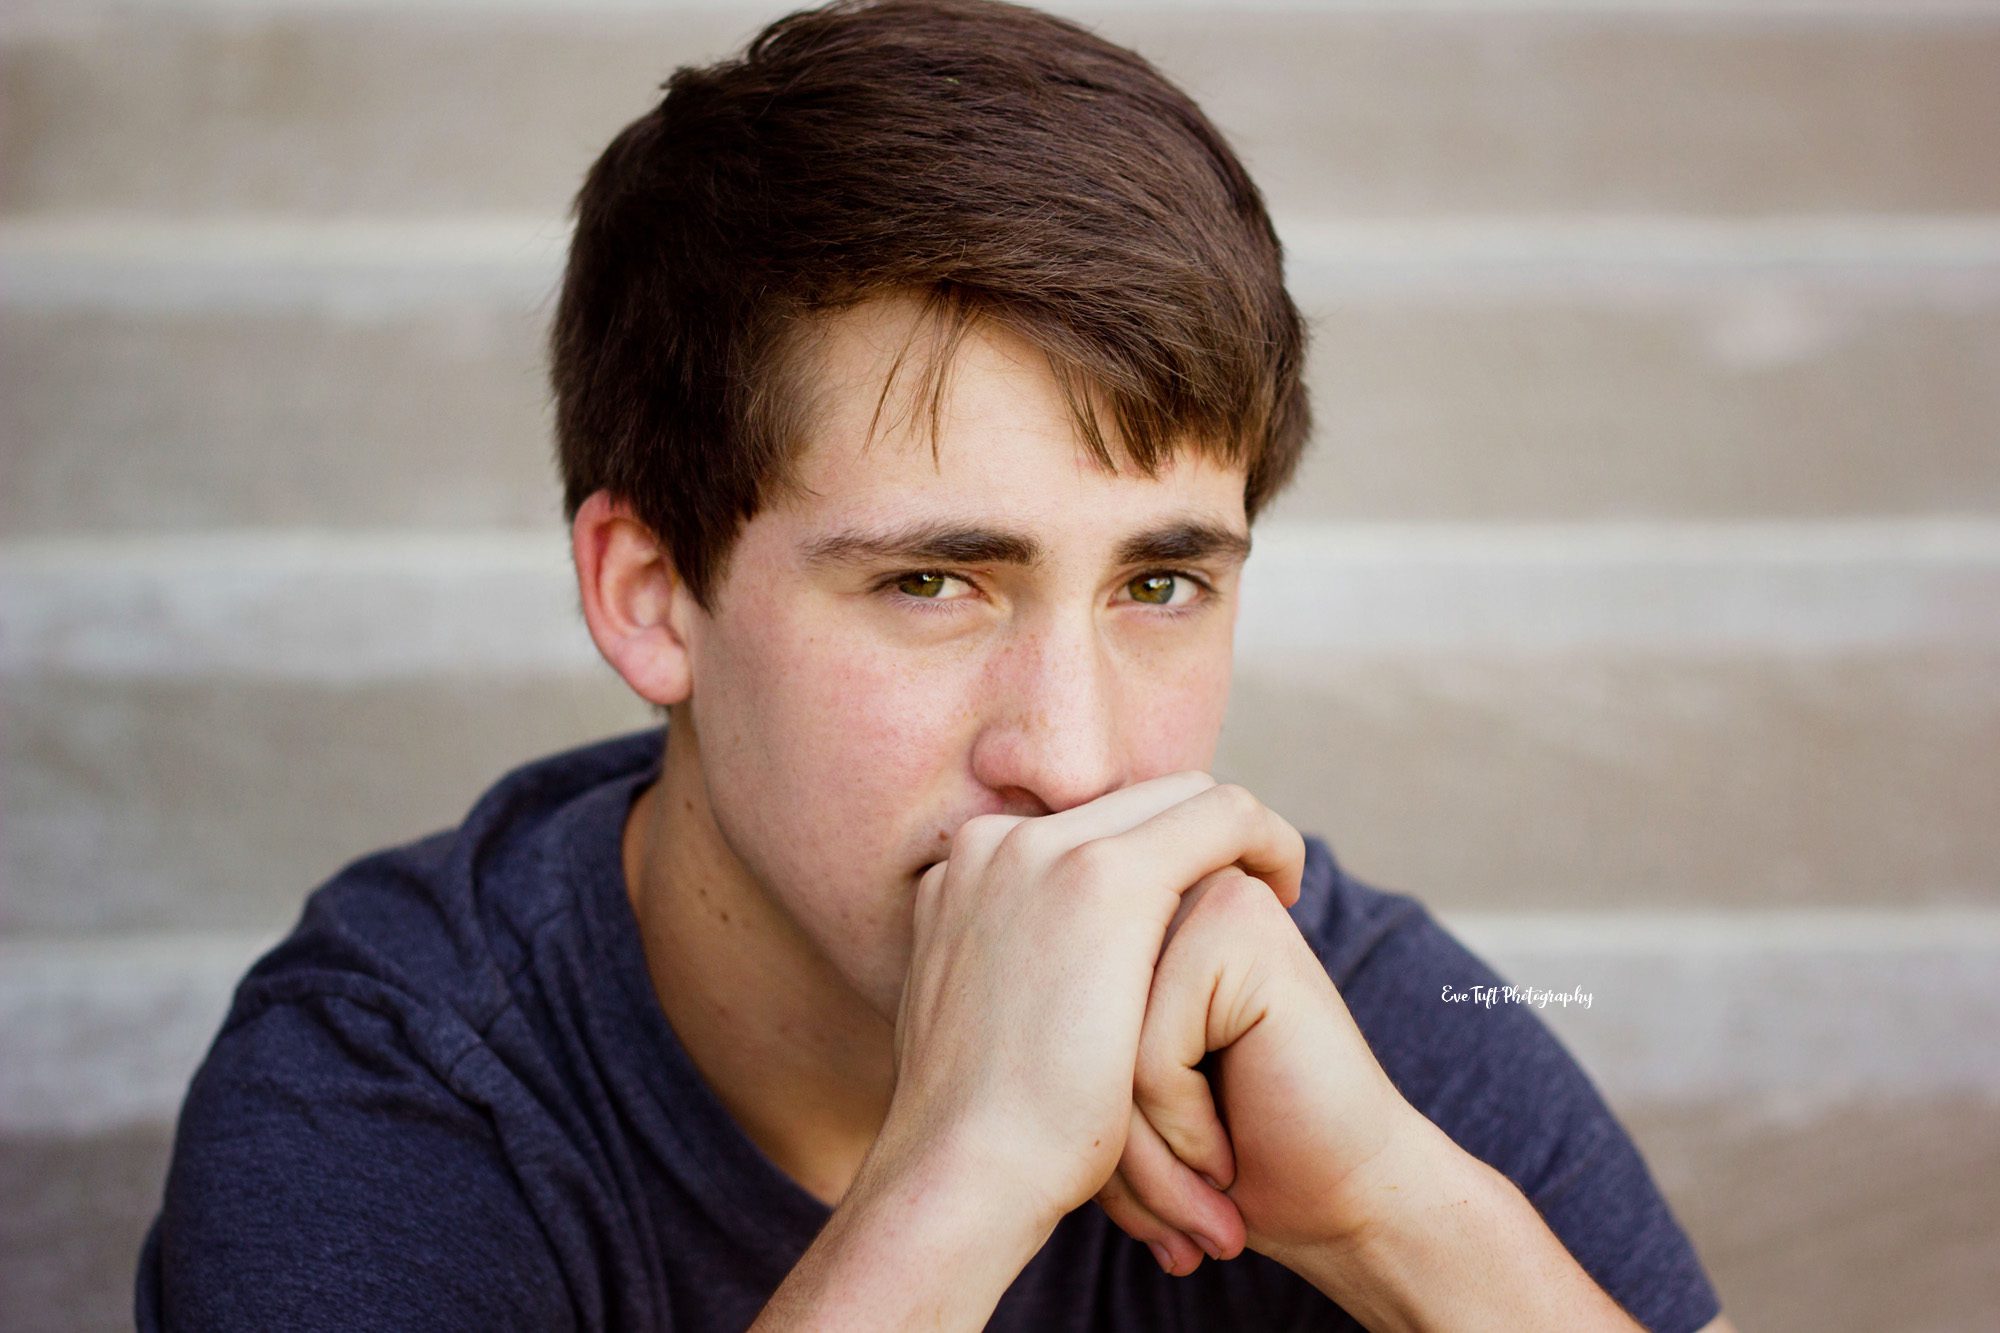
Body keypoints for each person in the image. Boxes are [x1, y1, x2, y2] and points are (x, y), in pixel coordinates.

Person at [136, 1, 1731, 1328]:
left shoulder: (1347, 1003)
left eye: (1161, 580)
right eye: (932, 581)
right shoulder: (397, 1084)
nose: (1076, 759)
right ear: (650, 595)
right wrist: (966, 1172)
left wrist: (1401, 1217)